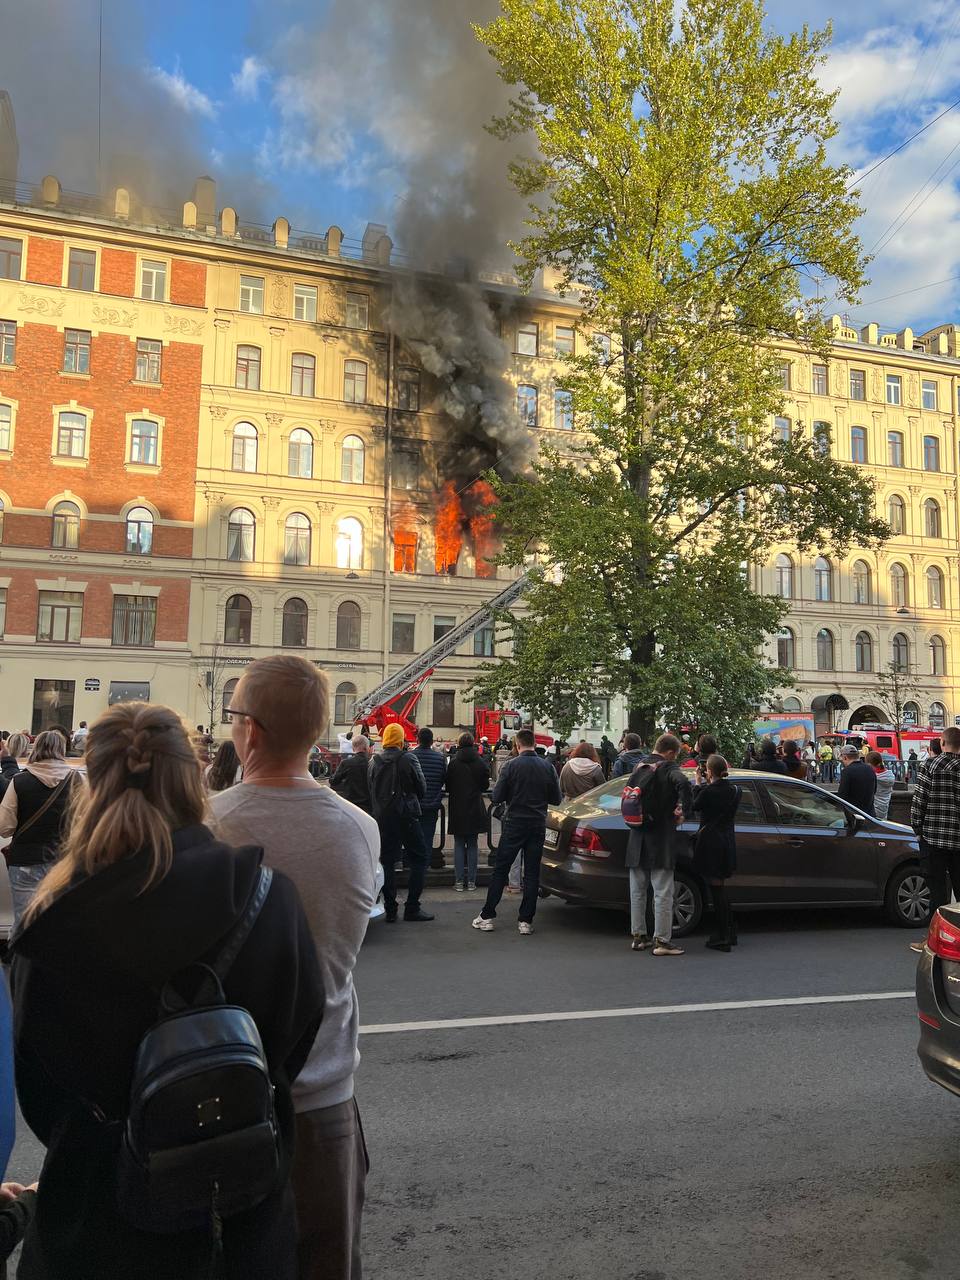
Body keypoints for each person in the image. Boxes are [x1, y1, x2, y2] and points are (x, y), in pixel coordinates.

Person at [11, 701, 324, 1280]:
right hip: (237, 1211)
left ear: (92, 784)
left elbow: (40, 1092)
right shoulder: (266, 895)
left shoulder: (51, 921)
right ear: (194, 778)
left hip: (96, 1214)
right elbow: (295, 1040)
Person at [207, 655, 379, 1280]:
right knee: (328, 1261)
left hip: (223, 1096)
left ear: (249, 730)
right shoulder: (360, 830)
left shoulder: (209, 824)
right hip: (324, 1094)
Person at [472, 728, 561, 935]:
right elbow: (556, 798)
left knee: (501, 869)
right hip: (537, 823)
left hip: (515, 823)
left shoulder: (511, 766)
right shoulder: (547, 767)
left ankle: (487, 915)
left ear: (517, 745)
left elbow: (497, 795)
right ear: (534, 743)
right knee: (531, 873)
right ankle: (525, 921)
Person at [0, 730, 79, 926]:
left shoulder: (20, 781)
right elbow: (85, 824)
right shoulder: (77, 781)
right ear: (62, 750)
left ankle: (21, 956)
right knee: (59, 924)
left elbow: (5, 828)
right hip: (63, 862)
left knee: (24, 923)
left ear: (35, 748)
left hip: (25, 861)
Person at [626, 733, 693, 956]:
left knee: (637, 890)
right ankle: (662, 941)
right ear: (672, 752)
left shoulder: (639, 767)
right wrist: (685, 810)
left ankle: (639, 936)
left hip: (637, 836)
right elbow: (683, 782)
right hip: (661, 836)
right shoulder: (668, 768)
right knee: (663, 891)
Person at [369, 722, 431, 922]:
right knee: (419, 858)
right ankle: (412, 907)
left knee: (387, 861)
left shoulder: (374, 761)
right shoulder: (409, 758)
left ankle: (390, 908)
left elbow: (371, 789)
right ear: (401, 739)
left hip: (383, 818)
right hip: (407, 815)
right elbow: (422, 788)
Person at [910, 725, 960, 953]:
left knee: (937, 892)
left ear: (942, 743)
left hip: (934, 838)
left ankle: (934, 942)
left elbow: (919, 800)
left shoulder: (931, 765)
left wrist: (917, 827)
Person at [692, 754, 741, 952]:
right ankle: (729, 931)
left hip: (711, 844)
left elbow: (695, 805)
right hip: (727, 842)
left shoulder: (708, 791)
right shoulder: (735, 790)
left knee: (716, 890)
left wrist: (698, 783)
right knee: (720, 888)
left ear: (709, 771)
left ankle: (723, 936)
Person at [445, 732, 490, 892]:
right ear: (473, 744)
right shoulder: (480, 762)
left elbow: (448, 786)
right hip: (474, 806)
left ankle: (458, 882)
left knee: (458, 844)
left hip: (457, 807)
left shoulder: (454, 763)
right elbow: (485, 785)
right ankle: (471, 882)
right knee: (472, 844)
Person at [411, 727, 446, 863]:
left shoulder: (410, 757)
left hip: (414, 805)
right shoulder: (440, 758)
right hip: (432, 804)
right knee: (427, 838)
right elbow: (443, 778)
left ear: (417, 739)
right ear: (432, 741)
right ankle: (424, 869)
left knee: (412, 839)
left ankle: (414, 869)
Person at [330, 733, 374, 814]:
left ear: (353, 748)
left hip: (350, 806)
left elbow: (334, 781)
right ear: (367, 748)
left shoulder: (346, 763)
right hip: (368, 807)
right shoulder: (373, 764)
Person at [837, 744, 877, 816]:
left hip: (854, 815)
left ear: (845, 757)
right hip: (870, 814)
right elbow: (874, 790)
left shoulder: (847, 771)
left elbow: (842, 794)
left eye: (842, 759)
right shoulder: (870, 769)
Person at [867, 750, 895, 822]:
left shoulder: (871, 777)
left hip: (873, 810)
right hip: (885, 809)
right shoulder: (889, 776)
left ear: (869, 764)